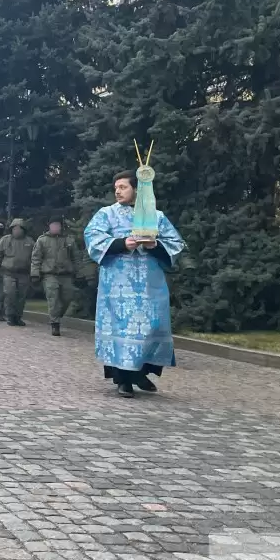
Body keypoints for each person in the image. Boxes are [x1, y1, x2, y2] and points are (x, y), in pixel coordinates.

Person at [85, 170, 185, 398]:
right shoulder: (106, 214)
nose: (118, 191)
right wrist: (121, 243)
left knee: (149, 328)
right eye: (116, 188)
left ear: (137, 190)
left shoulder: (156, 216)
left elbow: (175, 243)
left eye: (123, 187)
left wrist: (154, 245)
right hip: (117, 286)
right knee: (121, 328)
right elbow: (92, 237)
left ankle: (141, 373)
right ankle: (123, 380)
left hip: (150, 284)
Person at [31, 217, 82, 337]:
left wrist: (80, 273)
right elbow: (36, 258)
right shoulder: (42, 240)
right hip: (49, 274)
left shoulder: (69, 240)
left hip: (66, 274)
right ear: (49, 226)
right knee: (53, 299)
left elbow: (76, 257)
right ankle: (55, 324)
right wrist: (35, 273)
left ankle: (57, 316)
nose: (55, 227)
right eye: (53, 225)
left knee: (67, 297)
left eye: (57, 225)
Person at [0, 219, 36, 327]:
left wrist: (34, 272)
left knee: (21, 296)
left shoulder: (30, 242)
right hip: (8, 272)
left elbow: (35, 258)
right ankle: (10, 316)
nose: (17, 230)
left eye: (19, 228)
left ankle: (18, 316)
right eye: (15, 228)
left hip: (24, 273)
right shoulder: (5, 240)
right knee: (10, 294)